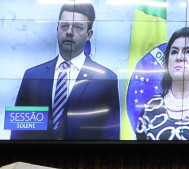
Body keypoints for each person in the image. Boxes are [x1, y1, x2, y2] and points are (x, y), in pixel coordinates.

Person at [12, 2, 120, 140]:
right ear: (57, 30)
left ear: (89, 35)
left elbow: (110, 136)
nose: (69, 32)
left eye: (78, 27)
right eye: (64, 26)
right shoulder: (32, 76)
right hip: (35, 158)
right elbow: (18, 131)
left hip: (84, 159)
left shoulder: (106, 79)